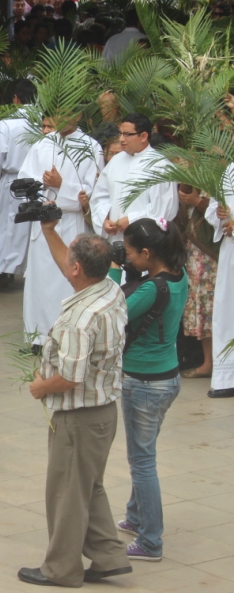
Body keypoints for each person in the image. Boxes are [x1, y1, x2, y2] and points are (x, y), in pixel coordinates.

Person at [19, 224, 131, 587]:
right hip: (104, 412)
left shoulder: (79, 320)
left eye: (69, 259)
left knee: (66, 492)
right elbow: (67, 261)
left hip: (79, 416)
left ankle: (61, 569)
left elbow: (71, 377)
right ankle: (109, 557)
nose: (64, 261)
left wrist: (40, 387)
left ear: (77, 269)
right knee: (88, 486)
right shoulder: (110, 290)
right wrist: (50, 230)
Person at [109, 219, 188, 562]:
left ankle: (151, 541)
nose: (124, 256)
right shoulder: (178, 274)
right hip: (168, 377)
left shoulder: (152, 289)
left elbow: (110, 312)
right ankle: (137, 516)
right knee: (146, 451)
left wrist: (113, 273)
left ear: (146, 252)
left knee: (142, 462)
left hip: (143, 382)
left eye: (127, 252)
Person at [20, 117, 103, 347]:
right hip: (43, 221)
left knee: (68, 280)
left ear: (77, 115)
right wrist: (42, 185)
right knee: (41, 280)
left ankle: (67, 337)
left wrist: (61, 184)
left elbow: (92, 192)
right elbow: (24, 179)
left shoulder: (91, 146)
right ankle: (37, 337)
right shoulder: (43, 144)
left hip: (70, 224)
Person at [0, 81, 39, 289]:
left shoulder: (8, 123)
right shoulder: (42, 121)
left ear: (16, 98)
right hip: (36, 183)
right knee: (28, 227)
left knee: (5, 227)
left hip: (11, 181)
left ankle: (4, 271)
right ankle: (28, 270)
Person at [90, 113, 178, 243]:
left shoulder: (160, 166)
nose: (121, 139)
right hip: (115, 239)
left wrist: (131, 220)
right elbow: (100, 195)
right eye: (120, 133)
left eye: (127, 134)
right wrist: (104, 219)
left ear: (143, 136)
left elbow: (164, 210)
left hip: (145, 241)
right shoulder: (116, 161)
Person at [178, 186, 219, 380]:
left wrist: (197, 201)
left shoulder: (220, 177)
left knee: (215, 305)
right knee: (203, 307)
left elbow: (222, 215)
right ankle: (208, 362)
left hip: (215, 252)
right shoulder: (192, 179)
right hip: (194, 251)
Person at [204, 165, 234, 397]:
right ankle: (227, 377)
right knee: (228, 310)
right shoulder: (231, 169)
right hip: (231, 248)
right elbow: (213, 207)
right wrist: (220, 215)